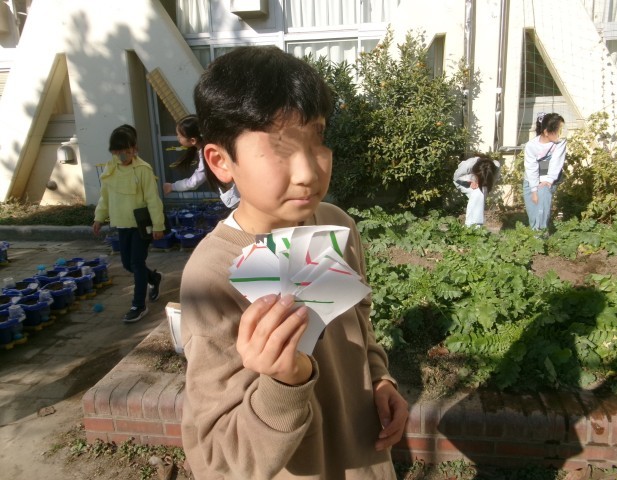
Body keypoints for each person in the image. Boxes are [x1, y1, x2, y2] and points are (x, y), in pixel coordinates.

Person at [180, 46, 409, 479]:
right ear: (221, 161)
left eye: (317, 138)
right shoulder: (212, 277)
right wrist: (284, 384)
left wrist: (380, 378)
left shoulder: (335, 224)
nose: (307, 172)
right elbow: (218, 460)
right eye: (280, 147)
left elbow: (358, 323)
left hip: (367, 457)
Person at [93, 125, 164, 323]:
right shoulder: (110, 169)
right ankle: (154, 278)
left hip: (141, 226)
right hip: (122, 224)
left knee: (137, 263)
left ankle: (138, 305)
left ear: (134, 149)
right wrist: (99, 217)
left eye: (126, 150)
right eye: (117, 151)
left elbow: (153, 199)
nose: (122, 155)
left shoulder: (143, 169)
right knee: (127, 263)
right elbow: (104, 197)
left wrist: (158, 225)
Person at [162, 114, 241, 209]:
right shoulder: (217, 145)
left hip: (238, 197)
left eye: (179, 135)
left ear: (192, 140)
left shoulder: (208, 155)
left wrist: (172, 186)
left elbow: (194, 182)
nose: (177, 137)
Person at [523, 112, 567, 231]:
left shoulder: (560, 142)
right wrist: (534, 190)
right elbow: (531, 168)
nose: (562, 134)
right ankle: (535, 232)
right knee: (533, 210)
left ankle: (541, 234)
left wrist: (549, 180)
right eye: (559, 131)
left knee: (542, 204)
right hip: (531, 180)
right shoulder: (531, 146)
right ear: (547, 132)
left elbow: (557, 161)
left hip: (549, 179)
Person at [453, 154, 500, 227]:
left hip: (479, 182)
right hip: (462, 181)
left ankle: (474, 226)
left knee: (479, 193)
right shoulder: (468, 165)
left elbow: (493, 181)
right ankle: (471, 225)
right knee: (478, 192)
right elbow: (456, 177)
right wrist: (469, 182)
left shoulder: (496, 166)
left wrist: (483, 185)